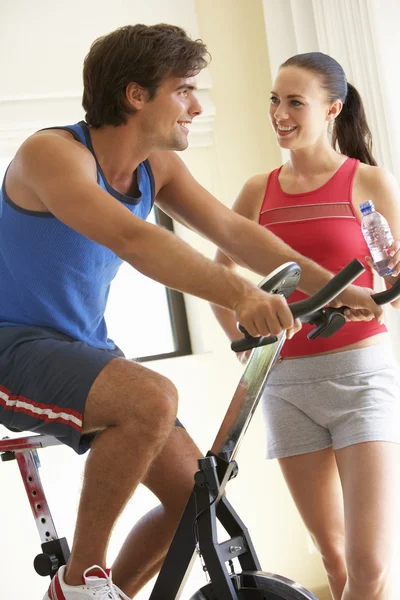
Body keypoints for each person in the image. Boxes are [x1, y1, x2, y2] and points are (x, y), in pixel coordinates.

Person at [0, 24, 382, 599]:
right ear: (135, 95)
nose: (196, 107)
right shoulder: (52, 154)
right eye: (184, 90)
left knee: (198, 499)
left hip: (83, 348)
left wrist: (336, 288)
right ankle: (79, 583)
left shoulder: (158, 166)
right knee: (151, 396)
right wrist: (243, 296)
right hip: (12, 347)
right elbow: (136, 240)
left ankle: (115, 593)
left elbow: (234, 232)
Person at [212, 51, 400, 600]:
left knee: (369, 567)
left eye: (295, 101)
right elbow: (218, 276)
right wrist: (241, 343)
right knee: (335, 562)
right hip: (286, 387)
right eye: (275, 99)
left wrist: (385, 296)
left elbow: (397, 274)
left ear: (332, 109)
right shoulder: (258, 190)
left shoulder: (367, 182)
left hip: (361, 378)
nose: (280, 112)